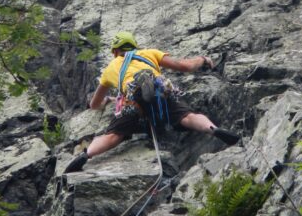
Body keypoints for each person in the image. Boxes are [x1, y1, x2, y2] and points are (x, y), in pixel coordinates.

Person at [64, 31, 239, 173]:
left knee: (115, 134)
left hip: (132, 100)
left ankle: (87, 155)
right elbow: (184, 66)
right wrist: (202, 60)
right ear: (134, 46)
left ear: (115, 51)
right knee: (186, 116)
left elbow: (95, 104)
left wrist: (109, 100)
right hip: (160, 90)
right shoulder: (148, 53)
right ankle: (213, 129)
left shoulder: (110, 68)